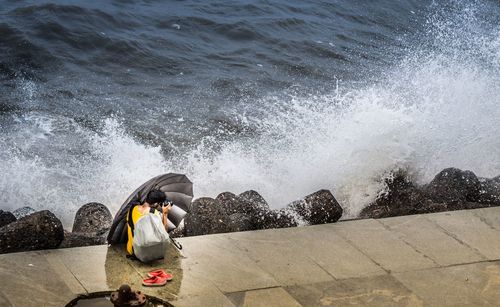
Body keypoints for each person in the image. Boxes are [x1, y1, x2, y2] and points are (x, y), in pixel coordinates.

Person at [126, 189, 171, 255]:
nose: (159, 205)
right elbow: (164, 234)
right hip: (145, 253)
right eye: (159, 203)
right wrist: (165, 214)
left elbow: (129, 225)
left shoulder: (132, 209)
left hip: (131, 250)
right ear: (155, 203)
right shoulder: (154, 213)